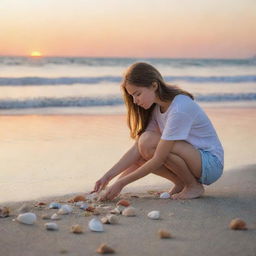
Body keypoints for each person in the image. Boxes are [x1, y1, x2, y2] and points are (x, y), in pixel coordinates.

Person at [92, 62, 224, 200]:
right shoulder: (156, 108)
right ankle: (181, 183)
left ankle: (193, 186)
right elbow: (136, 151)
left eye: (137, 94)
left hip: (210, 164)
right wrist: (108, 178)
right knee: (144, 146)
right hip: (193, 159)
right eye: (132, 96)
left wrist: (121, 183)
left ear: (154, 85)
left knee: (149, 142)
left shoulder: (179, 108)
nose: (135, 101)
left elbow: (159, 158)